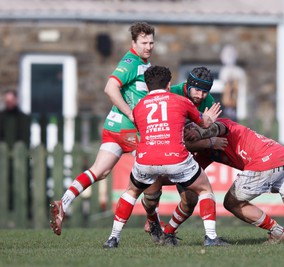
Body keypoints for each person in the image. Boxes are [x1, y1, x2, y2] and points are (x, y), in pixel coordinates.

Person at [103, 65, 228, 248]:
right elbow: (204, 122)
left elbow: (145, 132)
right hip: (175, 157)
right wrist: (208, 132)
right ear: (169, 85)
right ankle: (210, 237)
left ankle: (113, 239)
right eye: (198, 90)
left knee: (131, 192)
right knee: (204, 189)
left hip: (146, 159)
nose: (201, 96)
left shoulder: (138, 107)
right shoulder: (180, 99)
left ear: (147, 87)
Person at [50, 22, 155, 236]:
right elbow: (110, 87)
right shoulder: (131, 61)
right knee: (151, 172)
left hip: (113, 128)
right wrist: (130, 113)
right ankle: (152, 220)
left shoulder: (144, 62)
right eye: (144, 42)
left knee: (99, 171)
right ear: (133, 42)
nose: (149, 46)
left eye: (151, 42)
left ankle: (64, 202)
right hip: (129, 130)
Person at [0, 89, 31, 212]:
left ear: (16, 100)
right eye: (6, 101)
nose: (9, 103)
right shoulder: (1, 117)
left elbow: (25, 138)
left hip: (20, 158)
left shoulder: (23, 118)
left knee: (20, 184)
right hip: (2, 158)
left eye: (11, 100)